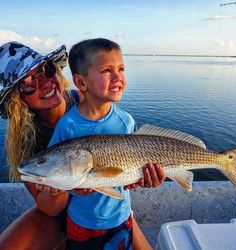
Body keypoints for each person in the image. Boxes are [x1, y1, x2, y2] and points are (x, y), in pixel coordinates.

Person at [0, 41, 167, 250]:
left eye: (47, 70)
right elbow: (50, 210)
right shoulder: (25, 141)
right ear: (17, 97)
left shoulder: (86, 98)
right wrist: (60, 190)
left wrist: (136, 175)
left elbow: (127, 148)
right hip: (65, 214)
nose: (44, 83)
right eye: (29, 82)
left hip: (109, 209)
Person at [47, 37, 161, 250]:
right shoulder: (67, 125)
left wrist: (142, 178)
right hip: (81, 221)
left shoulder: (126, 121)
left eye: (121, 68)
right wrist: (73, 189)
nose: (118, 76)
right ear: (81, 82)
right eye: (107, 70)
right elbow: (60, 170)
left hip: (121, 217)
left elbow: (129, 173)